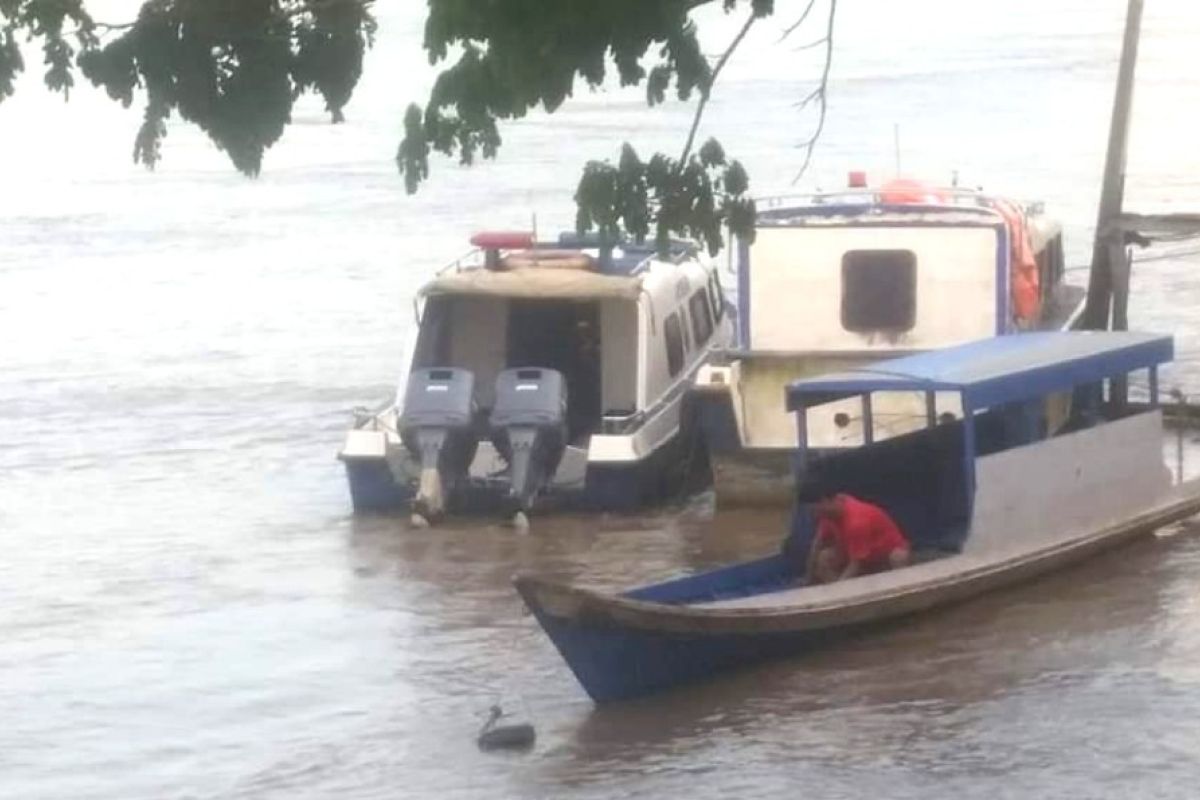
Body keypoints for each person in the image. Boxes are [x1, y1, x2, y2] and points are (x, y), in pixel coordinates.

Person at [801, 489, 911, 585]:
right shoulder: (830, 513)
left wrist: (839, 587)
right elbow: (817, 545)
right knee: (824, 557)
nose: (813, 514)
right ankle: (841, 596)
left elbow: (857, 563)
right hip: (857, 554)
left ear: (825, 502)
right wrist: (808, 577)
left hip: (883, 556)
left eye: (814, 509)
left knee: (898, 557)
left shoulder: (857, 521)